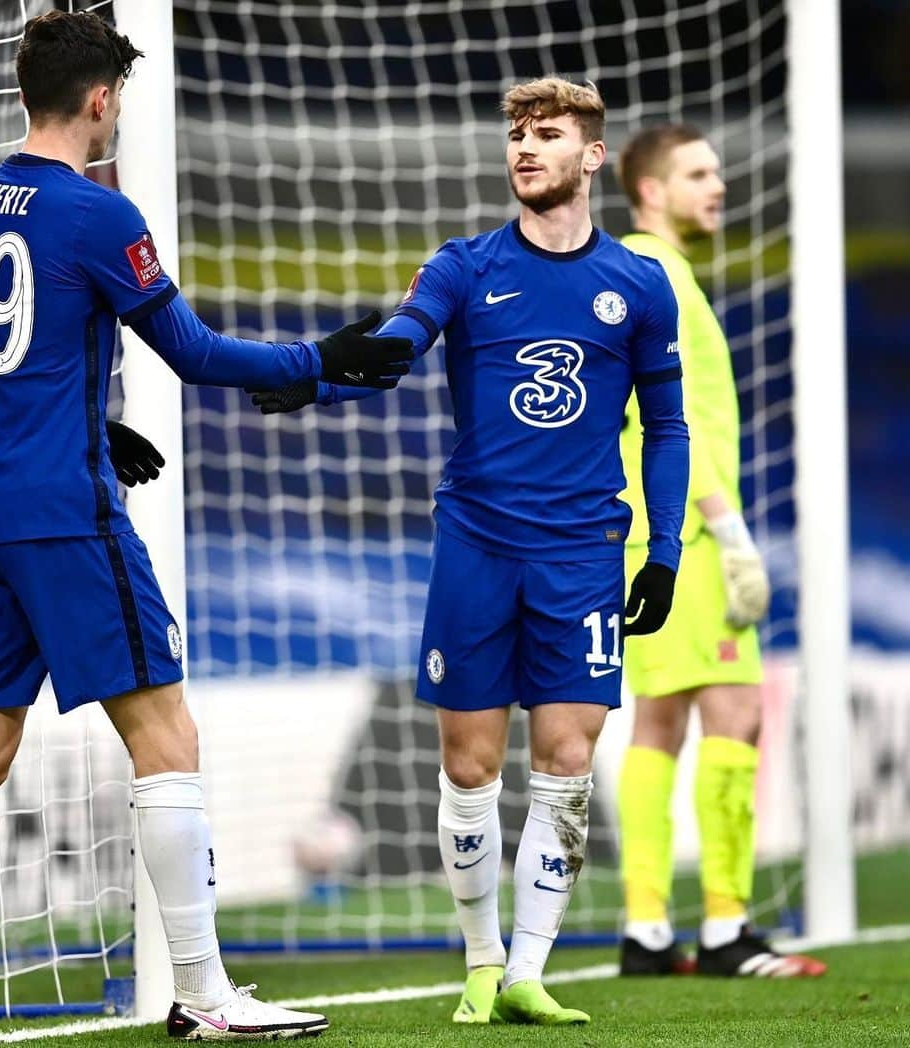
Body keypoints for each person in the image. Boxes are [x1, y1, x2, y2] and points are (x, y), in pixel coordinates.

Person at [0, 11, 414, 1045]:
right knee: (168, 737)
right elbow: (190, 352)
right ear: (102, 99)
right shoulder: (100, 213)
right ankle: (204, 994)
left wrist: (83, 406)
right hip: (67, 512)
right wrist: (319, 362)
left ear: (24, 90)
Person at [249, 77, 689, 1026]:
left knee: (568, 756)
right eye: (518, 136)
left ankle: (529, 969)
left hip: (582, 553)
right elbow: (401, 344)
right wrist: (316, 380)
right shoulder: (463, 264)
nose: (526, 149)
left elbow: (666, 427)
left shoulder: (639, 284)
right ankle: (482, 960)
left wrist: (663, 553)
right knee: (470, 768)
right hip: (478, 544)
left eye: (549, 134)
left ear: (593, 156)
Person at [614, 124, 825, 978]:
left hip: (651, 529)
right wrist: (726, 527)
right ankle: (728, 928)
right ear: (652, 190)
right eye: (700, 173)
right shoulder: (653, 268)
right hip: (685, 532)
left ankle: (648, 934)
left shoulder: (655, 270)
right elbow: (665, 417)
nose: (720, 185)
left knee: (660, 724)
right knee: (735, 711)